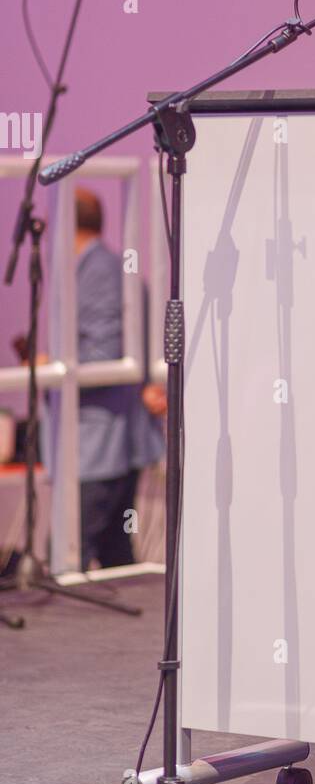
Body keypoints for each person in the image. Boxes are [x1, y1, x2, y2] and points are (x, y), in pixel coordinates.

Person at [71, 188, 164, 569]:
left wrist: (54, 363)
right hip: (110, 441)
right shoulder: (107, 269)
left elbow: (104, 354)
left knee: (73, 553)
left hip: (102, 444)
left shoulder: (98, 271)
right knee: (115, 558)